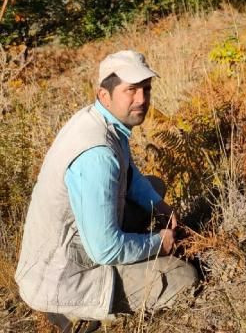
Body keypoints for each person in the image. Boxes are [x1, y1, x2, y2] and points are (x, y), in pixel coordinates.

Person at [15, 50, 198, 332]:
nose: (142, 99)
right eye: (131, 90)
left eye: (146, 89)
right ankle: (73, 311)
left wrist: (159, 204)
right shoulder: (96, 155)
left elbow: (128, 172)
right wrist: (158, 243)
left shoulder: (100, 121)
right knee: (184, 277)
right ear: (104, 94)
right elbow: (106, 249)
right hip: (62, 276)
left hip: (70, 246)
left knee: (154, 187)